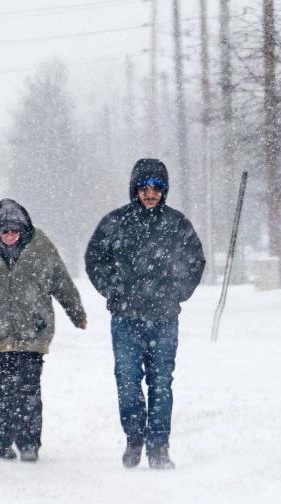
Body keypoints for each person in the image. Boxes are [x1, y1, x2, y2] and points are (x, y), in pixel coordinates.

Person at [84, 159, 205, 470]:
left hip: (164, 318)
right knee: (127, 380)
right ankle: (134, 437)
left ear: (164, 191)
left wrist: (177, 292)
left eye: (156, 189)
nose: (150, 194)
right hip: (125, 318)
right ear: (135, 190)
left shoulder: (177, 224)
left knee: (161, 382)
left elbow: (195, 260)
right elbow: (94, 259)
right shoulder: (115, 223)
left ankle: (159, 446)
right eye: (144, 188)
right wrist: (112, 289)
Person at [0, 198, 87, 462]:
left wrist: (76, 313)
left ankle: (29, 443)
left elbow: (62, 282)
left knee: (28, 390)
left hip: (30, 335)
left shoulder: (42, 249)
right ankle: (1, 441)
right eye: (5, 231)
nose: (11, 236)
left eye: (15, 231)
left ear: (24, 230)